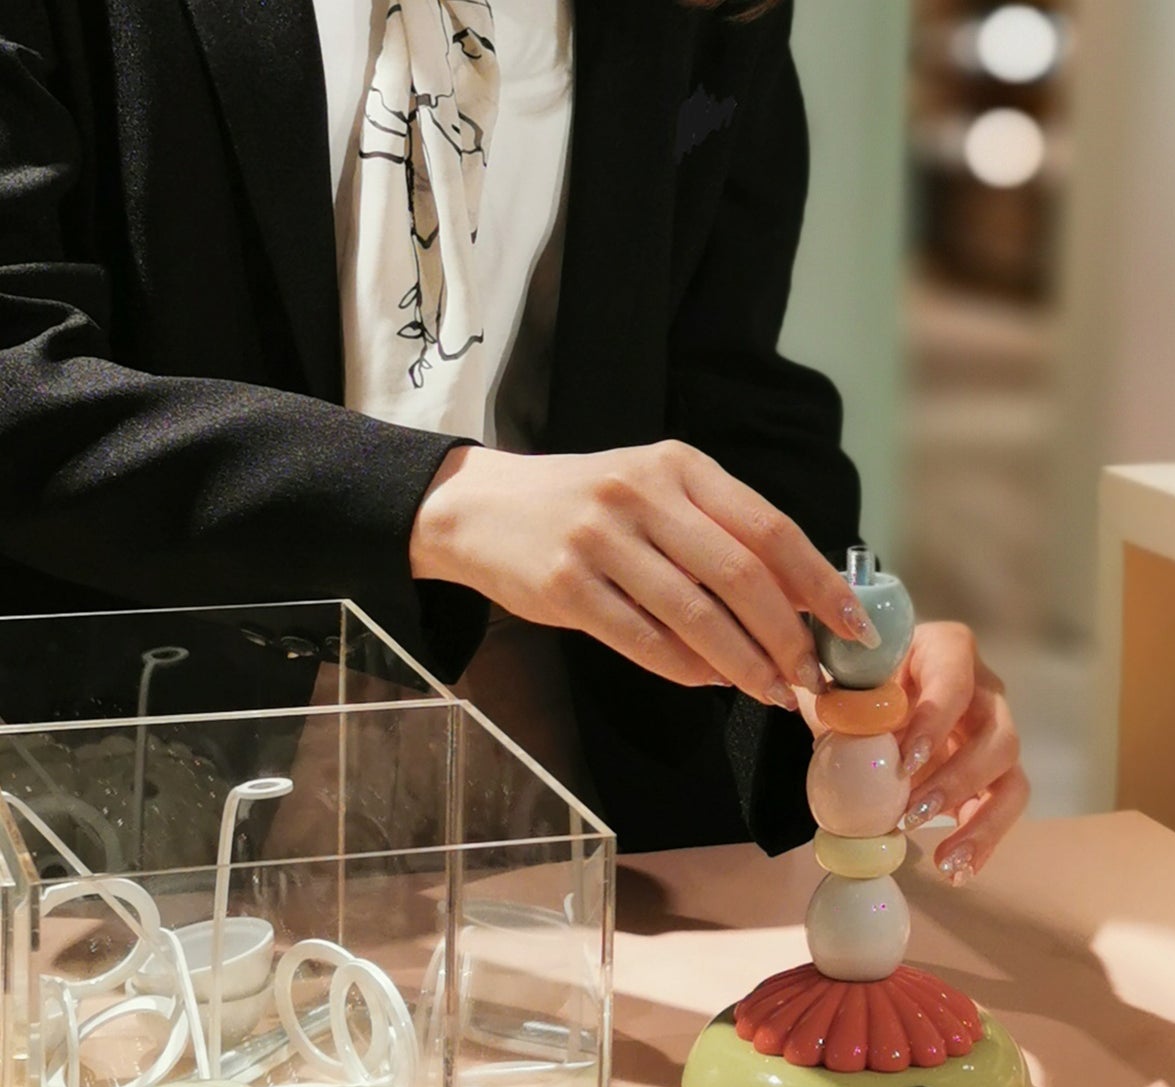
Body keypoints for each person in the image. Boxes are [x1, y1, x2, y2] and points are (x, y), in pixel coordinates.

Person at [0, 0, 1027, 877]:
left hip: (571, 750)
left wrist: (849, 647)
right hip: (139, 755)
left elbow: (719, 384)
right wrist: (438, 499)